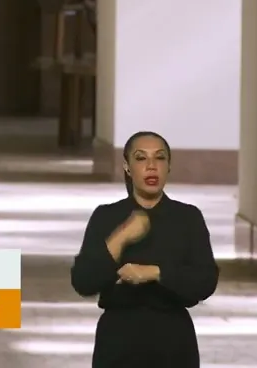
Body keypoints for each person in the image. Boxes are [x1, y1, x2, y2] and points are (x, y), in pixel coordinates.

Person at [71, 131, 219, 367]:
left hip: (173, 341)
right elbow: (84, 281)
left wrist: (154, 273)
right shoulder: (107, 216)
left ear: (169, 166)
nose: (151, 166)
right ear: (127, 167)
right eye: (141, 158)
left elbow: (205, 281)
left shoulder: (187, 217)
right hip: (118, 340)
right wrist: (121, 237)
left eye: (159, 158)